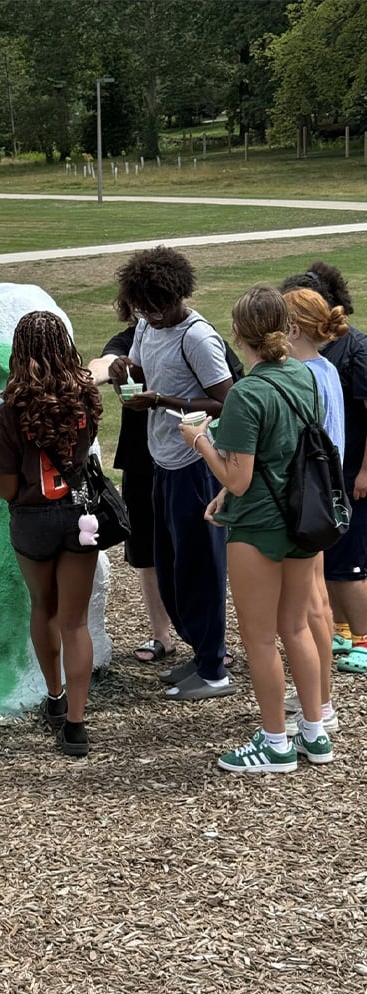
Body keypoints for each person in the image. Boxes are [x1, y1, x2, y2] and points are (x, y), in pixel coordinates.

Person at [182, 285, 333, 773]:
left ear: (238, 333)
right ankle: (316, 732)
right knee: (296, 628)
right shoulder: (305, 376)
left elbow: (239, 478)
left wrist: (199, 440)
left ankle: (275, 743)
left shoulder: (248, 393)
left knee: (260, 638)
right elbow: (286, 450)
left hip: (259, 527)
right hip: (303, 518)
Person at [0, 310, 102, 757]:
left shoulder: (6, 415)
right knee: (76, 622)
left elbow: (5, 488)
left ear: (19, 353)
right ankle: (76, 726)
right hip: (80, 517)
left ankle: (55, 699)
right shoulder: (86, 400)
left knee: (45, 608)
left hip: (32, 521)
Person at [107, 246, 234, 700]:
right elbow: (139, 370)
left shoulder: (196, 337)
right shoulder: (146, 323)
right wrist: (125, 371)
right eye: (142, 307)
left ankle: (215, 670)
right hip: (162, 459)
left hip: (196, 464)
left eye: (157, 307)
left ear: (176, 296)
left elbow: (227, 400)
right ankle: (200, 654)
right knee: (171, 568)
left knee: (201, 568)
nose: (150, 315)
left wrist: (163, 401)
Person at [280, 262, 367, 677]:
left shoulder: (349, 353)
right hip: (328, 475)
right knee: (327, 563)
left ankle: (363, 640)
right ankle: (339, 630)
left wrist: (364, 473)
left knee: (351, 565)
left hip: (341, 477)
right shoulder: (320, 362)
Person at [281, 287, 348, 739]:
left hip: (308, 497)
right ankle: (319, 696)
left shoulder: (304, 374)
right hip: (326, 493)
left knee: (308, 607)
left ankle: (320, 705)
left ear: (293, 329)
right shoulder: (326, 368)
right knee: (317, 601)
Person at [89, 325, 174, 664]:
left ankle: (206, 641)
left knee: (193, 549)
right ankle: (161, 636)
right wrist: (92, 375)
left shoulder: (195, 333)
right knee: (146, 552)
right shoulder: (132, 337)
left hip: (188, 456)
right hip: (141, 459)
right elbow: (104, 362)